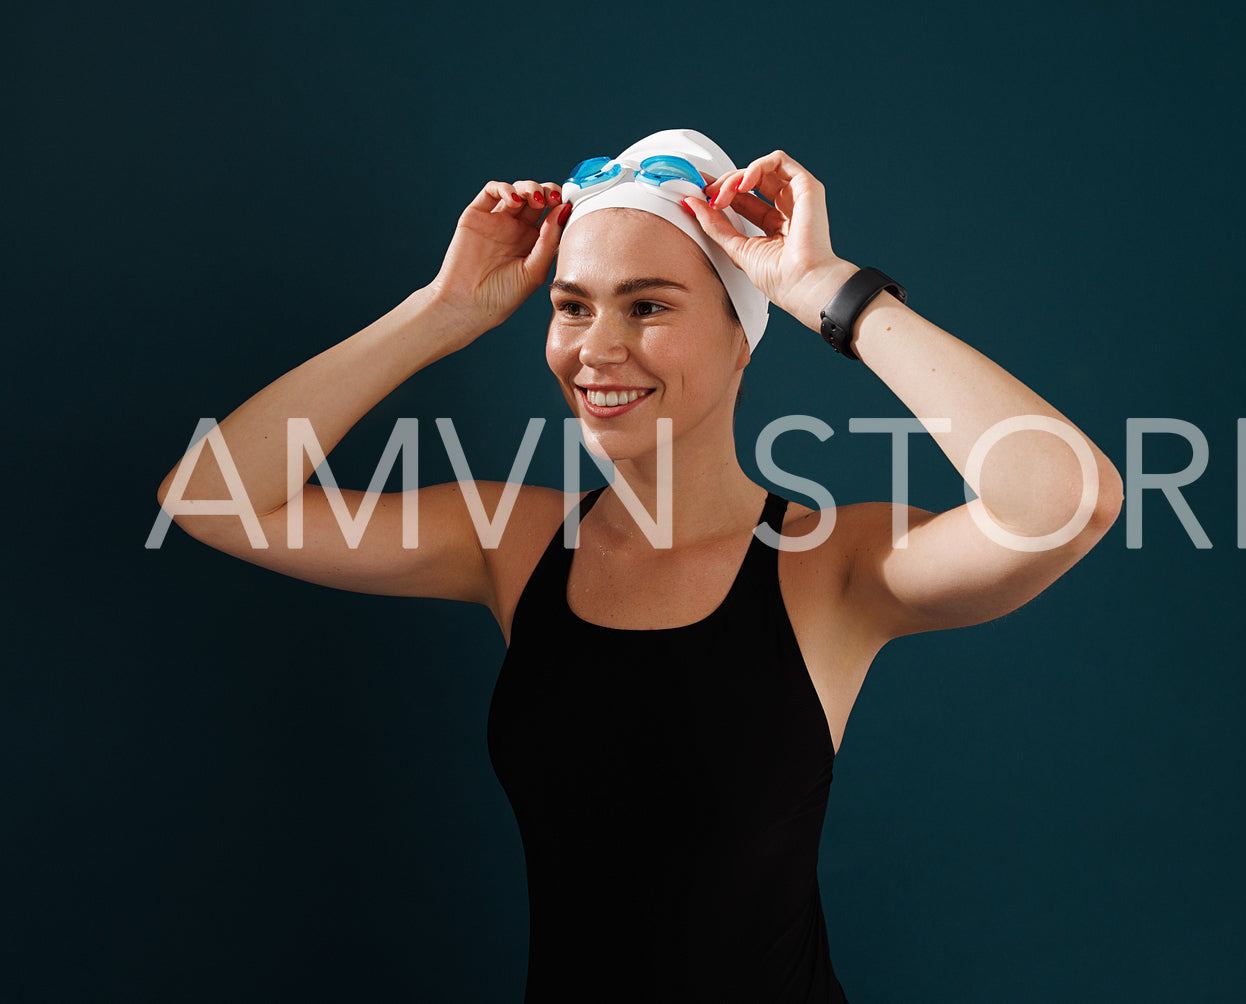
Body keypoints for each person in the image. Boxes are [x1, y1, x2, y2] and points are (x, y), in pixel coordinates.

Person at [155, 128, 1125, 1002]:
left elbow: (1065, 501)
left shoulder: (829, 565)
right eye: (571, 307)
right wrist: (439, 311)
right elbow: (209, 497)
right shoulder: (511, 542)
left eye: (647, 304)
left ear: (741, 338)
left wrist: (829, 290)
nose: (597, 349)